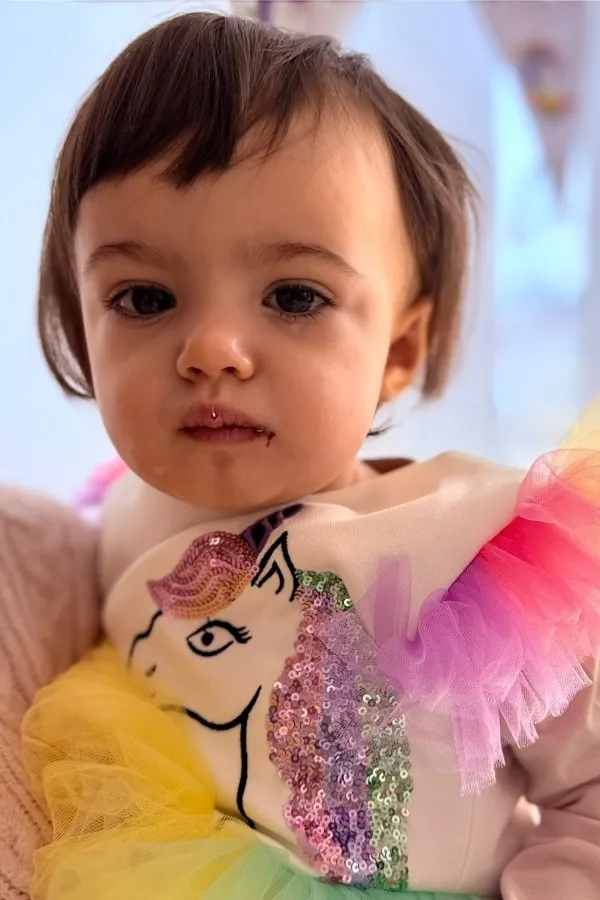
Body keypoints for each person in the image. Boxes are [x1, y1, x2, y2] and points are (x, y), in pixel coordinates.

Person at [21, 11, 600, 899]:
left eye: (294, 296)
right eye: (144, 298)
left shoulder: (471, 548)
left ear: (399, 349)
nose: (211, 350)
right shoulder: (108, 528)